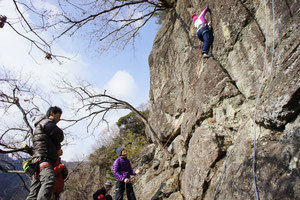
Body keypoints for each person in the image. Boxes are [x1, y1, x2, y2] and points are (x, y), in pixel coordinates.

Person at [27, 106, 64, 200]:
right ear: (52, 113)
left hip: (37, 161)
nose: (59, 119)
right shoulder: (46, 122)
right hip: (43, 159)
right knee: (49, 180)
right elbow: (59, 136)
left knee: (34, 193)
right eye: (58, 116)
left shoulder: (42, 125)